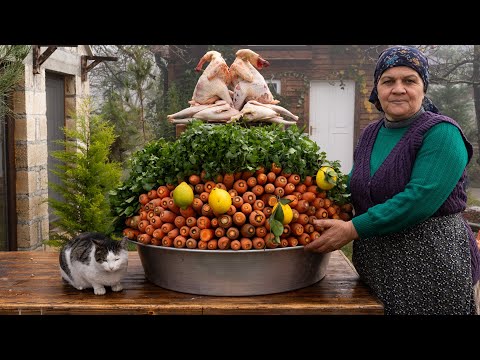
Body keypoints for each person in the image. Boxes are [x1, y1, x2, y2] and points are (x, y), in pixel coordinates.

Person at [305, 45, 480, 315]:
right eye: (388, 81)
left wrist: (352, 229)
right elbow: (359, 183)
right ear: (378, 89)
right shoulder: (371, 133)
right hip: (377, 266)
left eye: (409, 80)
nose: (398, 88)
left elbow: (419, 199)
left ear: (423, 87)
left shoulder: (442, 133)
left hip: (431, 267)